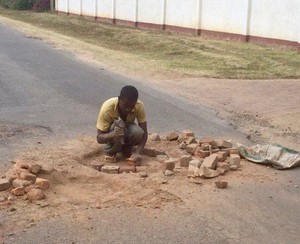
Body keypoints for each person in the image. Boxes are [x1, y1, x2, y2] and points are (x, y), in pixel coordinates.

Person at [96, 85, 148, 162]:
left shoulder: (139, 106)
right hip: (112, 132)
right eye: (126, 105)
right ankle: (112, 151)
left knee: (138, 132)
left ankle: (126, 149)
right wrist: (113, 134)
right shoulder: (107, 108)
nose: (128, 109)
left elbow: (145, 133)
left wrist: (137, 152)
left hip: (127, 128)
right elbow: (99, 138)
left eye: (131, 106)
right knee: (118, 128)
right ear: (119, 99)